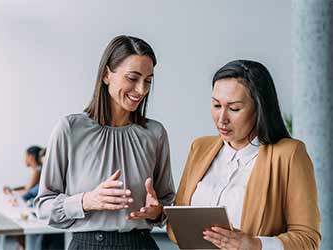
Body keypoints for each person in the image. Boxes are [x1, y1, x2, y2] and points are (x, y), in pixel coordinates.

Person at [35, 35, 175, 250]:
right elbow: (43, 207)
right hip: (86, 245)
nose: (141, 90)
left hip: (141, 245)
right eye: (132, 78)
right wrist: (86, 201)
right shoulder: (70, 130)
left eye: (148, 81)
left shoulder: (154, 133)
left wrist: (157, 212)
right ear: (106, 75)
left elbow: (168, 202)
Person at [167, 60, 321, 249]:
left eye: (234, 109)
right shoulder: (200, 148)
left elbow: (308, 239)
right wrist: (157, 213)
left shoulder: (289, 154)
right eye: (216, 105)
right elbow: (176, 231)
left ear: (259, 108)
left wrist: (255, 244)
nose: (222, 119)